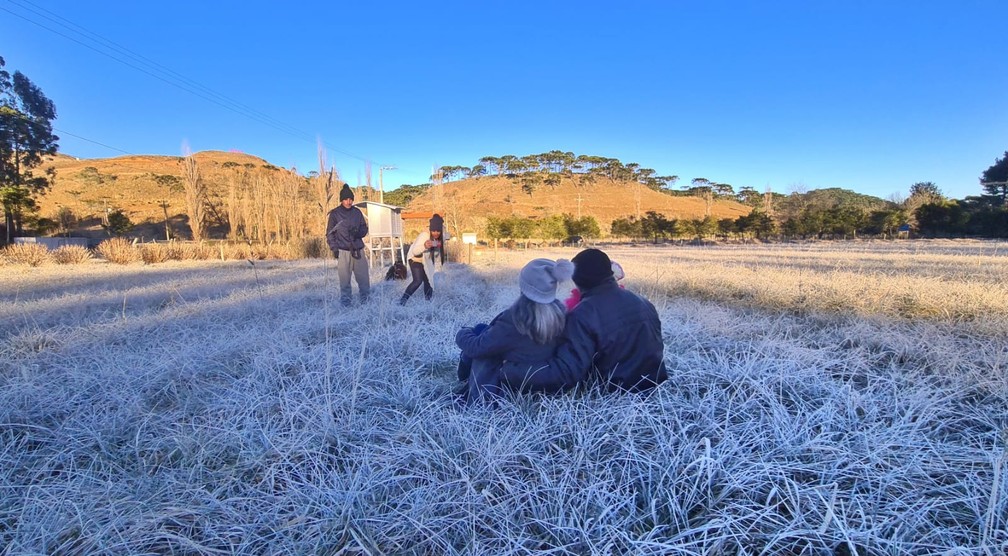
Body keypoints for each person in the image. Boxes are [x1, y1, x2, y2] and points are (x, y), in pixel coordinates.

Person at [500, 248, 667, 393]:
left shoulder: (583, 314)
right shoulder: (644, 302)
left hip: (616, 396)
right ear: (609, 272)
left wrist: (507, 370)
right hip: (655, 388)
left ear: (576, 281)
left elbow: (564, 374)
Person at [455, 258, 574, 404]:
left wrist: (463, 333)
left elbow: (477, 348)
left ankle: (468, 387)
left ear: (524, 285)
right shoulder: (561, 314)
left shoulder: (516, 319)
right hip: (539, 383)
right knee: (481, 329)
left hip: (509, 388)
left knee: (477, 338)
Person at [325, 183, 370, 307]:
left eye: (350, 199)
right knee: (344, 282)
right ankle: (346, 306)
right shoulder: (335, 214)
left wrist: (358, 233)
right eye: (346, 199)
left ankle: (366, 304)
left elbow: (364, 228)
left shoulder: (357, 212)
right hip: (343, 251)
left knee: (364, 280)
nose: (349, 202)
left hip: (358, 251)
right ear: (341, 200)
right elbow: (330, 233)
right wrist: (334, 249)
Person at [400, 214, 446, 305]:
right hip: (414, 259)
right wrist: (424, 246)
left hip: (425, 261)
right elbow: (415, 251)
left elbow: (436, 254)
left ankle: (428, 303)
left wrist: (438, 245)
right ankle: (402, 301)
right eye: (433, 231)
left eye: (438, 231)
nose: (435, 233)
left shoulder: (439, 238)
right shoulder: (424, 235)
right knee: (417, 281)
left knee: (428, 280)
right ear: (430, 229)